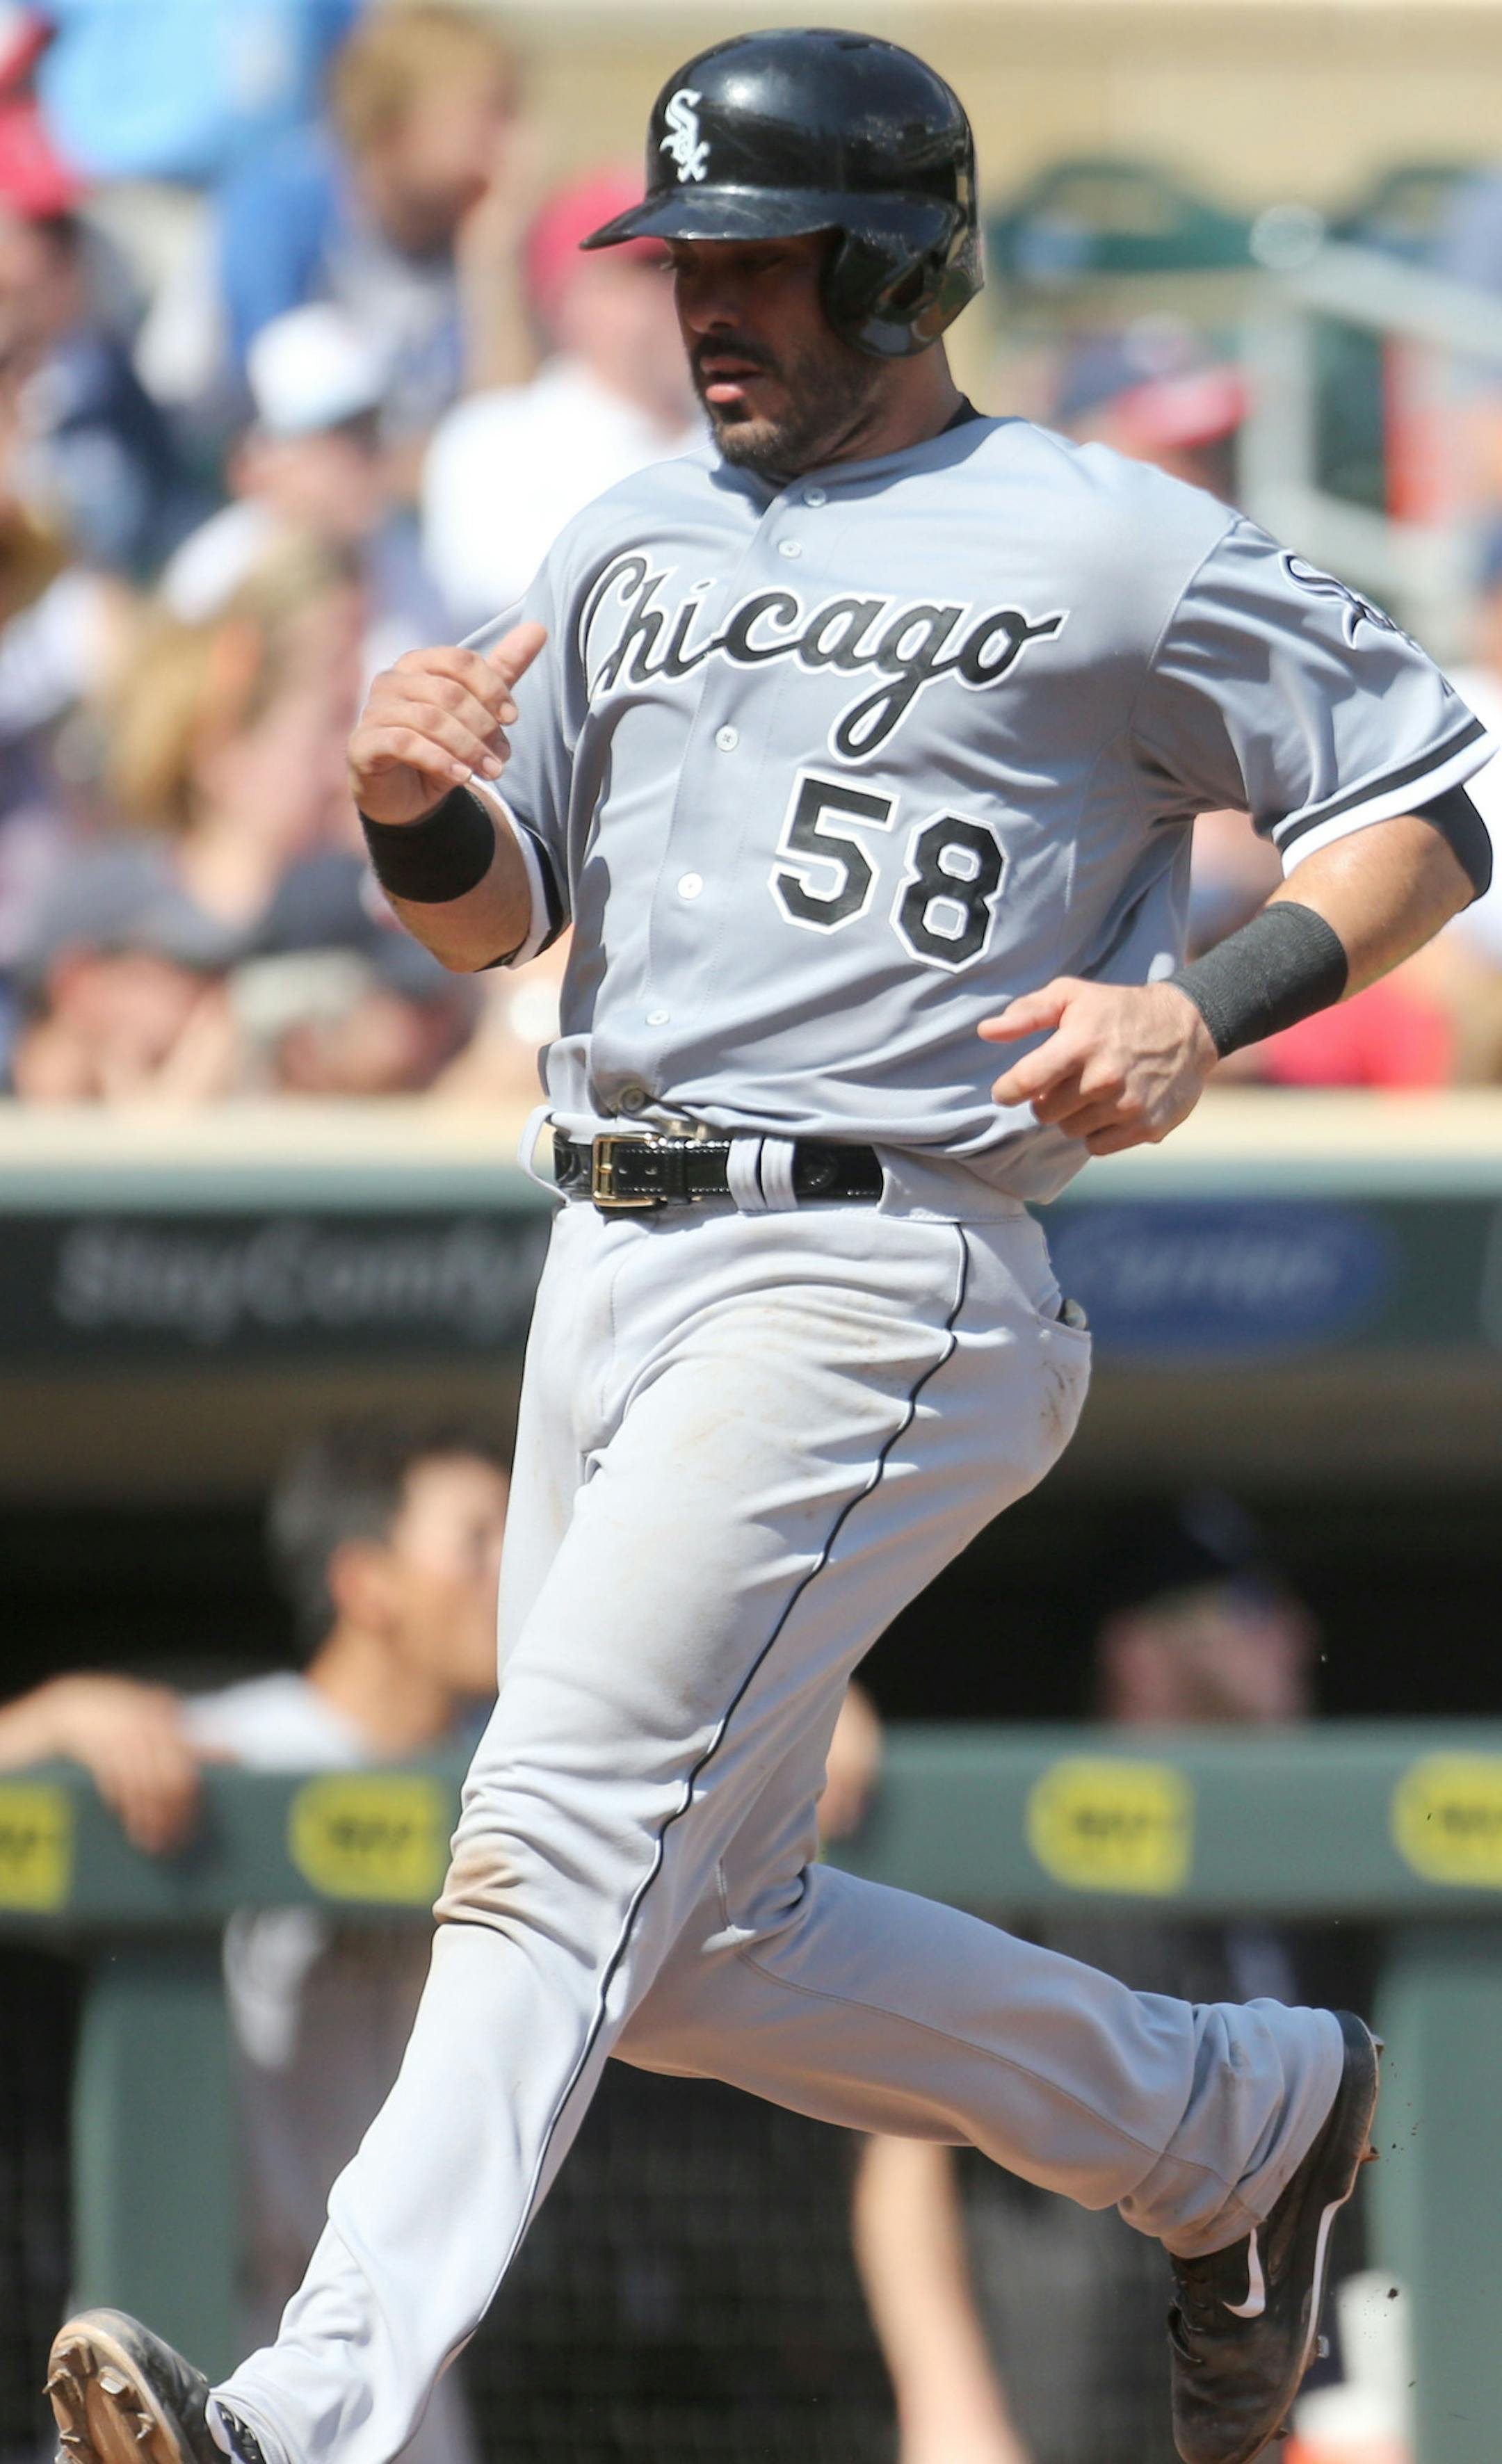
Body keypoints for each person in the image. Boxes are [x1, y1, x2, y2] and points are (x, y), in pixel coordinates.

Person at [49, 31, 1491, 2464]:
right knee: (692, 1952)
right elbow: (502, 926)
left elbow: (1444, 785)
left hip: (880, 1259)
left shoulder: (1098, 532)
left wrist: (1204, 1008)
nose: (711, 303)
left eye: (766, 260)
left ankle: (312, 2409)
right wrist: (413, 813)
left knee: (548, 1822)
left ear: (906, 256)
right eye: (687, 257)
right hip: (602, 1257)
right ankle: (1225, 2123)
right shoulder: (622, 535)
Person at [213, 3, 533, 460]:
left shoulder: (489, 228)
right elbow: (292, 441)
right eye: (489, 114)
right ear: (393, 126)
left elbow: (507, 442)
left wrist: (493, 264)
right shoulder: (283, 212)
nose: (512, 145)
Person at [422, 168, 700, 637]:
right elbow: (510, 617)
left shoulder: (745, 444)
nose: (675, 294)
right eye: (645, 270)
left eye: (688, 266)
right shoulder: (495, 443)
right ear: (564, 298)